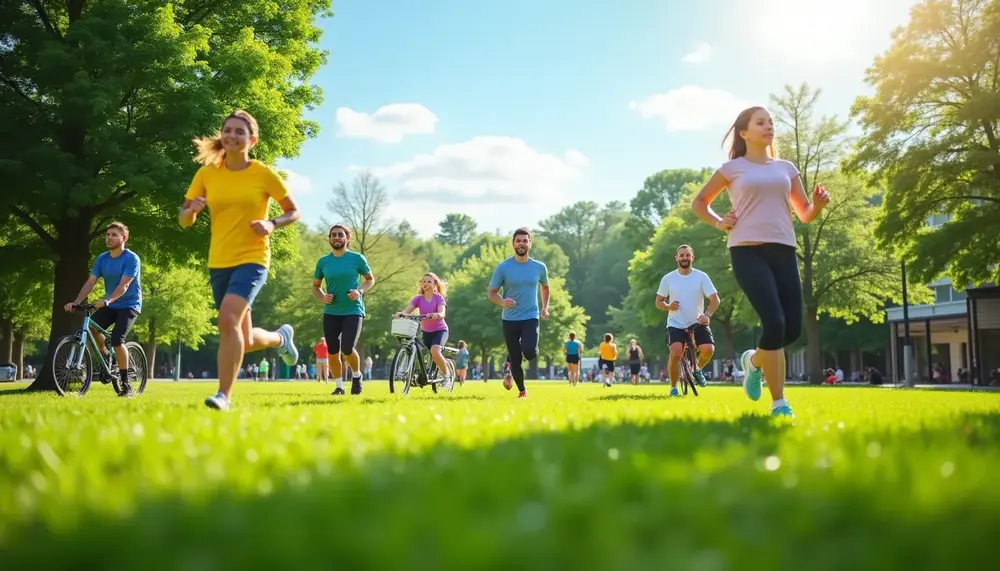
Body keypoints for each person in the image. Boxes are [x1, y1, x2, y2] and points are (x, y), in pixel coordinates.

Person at [691, 105, 831, 418]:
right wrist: (719, 222)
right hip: (747, 250)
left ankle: (754, 362)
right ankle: (780, 403)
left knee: (792, 329)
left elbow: (804, 213)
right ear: (744, 132)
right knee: (775, 322)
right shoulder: (733, 168)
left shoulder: (786, 168)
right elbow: (699, 202)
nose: (768, 126)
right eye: (760, 122)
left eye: (771, 122)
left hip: (783, 249)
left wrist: (818, 207)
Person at [178, 110, 300, 411]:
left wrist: (272, 224)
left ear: (252, 140)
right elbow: (184, 221)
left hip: (253, 257)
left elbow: (293, 211)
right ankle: (280, 339)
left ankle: (223, 395)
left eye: (239, 131)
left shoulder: (262, 173)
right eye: (227, 130)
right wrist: (192, 209)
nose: (231, 135)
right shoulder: (207, 174)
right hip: (219, 260)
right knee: (242, 339)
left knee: (227, 320)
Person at [63, 222, 142, 397]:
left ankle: (126, 385)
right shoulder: (102, 259)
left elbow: (125, 284)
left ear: (124, 238)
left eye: (114, 234)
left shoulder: (131, 258)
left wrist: (108, 299)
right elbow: (91, 282)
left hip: (129, 305)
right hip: (111, 304)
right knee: (91, 326)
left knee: (117, 339)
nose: (109, 237)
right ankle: (107, 356)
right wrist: (76, 301)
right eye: (107, 234)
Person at [312, 224, 375, 396]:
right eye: (333, 235)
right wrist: (323, 297)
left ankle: (357, 376)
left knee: (347, 348)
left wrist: (359, 291)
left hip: (353, 310)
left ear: (347, 238)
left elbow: (370, 280)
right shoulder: (323, 261)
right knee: (332, 351)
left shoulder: (357, 259)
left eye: (341, 235)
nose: (337, 237)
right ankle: (339, 386)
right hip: (331, 311)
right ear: (330, 238)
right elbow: (316, 287)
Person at [487, 227, 550, 399]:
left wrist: (545, 307)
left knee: (530, 352)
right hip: (510, 319)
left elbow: (545, 287)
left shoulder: (539, 267)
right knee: (516, 358)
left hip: (531, 316)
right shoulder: (503, 267)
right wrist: (502, 302)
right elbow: (492, 292)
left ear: (530, 243)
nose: (521, 244)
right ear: (513, 244)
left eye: (525, 240)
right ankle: (522, 391)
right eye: (518, 241)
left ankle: (510, 361)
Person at [655, 244, 720, 397]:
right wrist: (668, 306)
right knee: (676, 351)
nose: (684, 258)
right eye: (681, 255)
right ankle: (673, 387)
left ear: (692, 257)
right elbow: (658, 302)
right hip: (676, 323)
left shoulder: (701, 276)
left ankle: (696, 369)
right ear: (676, 258)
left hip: (697, 321)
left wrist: (707, 315)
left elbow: (715, 300)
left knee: (708, 350)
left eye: (687, 255)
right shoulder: (668, 278)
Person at [395, 272, 453, 390]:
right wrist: (401, 314)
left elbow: (442, 312)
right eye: (424, 281)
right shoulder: (418, 299)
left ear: (435, 284)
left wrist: (438, 314)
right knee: (418, 351)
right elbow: (408, 310)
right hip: (426, 331)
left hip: (440, 330)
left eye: (429, 281)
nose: (425, 283)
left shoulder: (438, 298)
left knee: (435, 351)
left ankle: (447, 376)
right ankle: (416, 373)